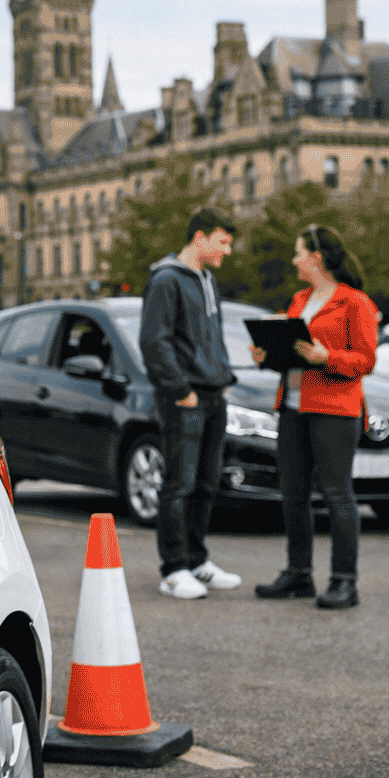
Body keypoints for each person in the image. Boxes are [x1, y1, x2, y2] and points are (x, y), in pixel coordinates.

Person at [248, 225, 377, 609]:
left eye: (298, 252)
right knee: (293, 495)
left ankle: (344, 581)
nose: (294, 260)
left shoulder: (355, 302)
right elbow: (292, 354)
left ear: (316, 258)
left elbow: (366, 360)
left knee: (337, 494)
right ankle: (298, 574)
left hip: (334, 410)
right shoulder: (298, 300)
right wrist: (267, 357)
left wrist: (329, 358)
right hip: (292, 408)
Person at [140, 208, 242, 599]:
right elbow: (154, 341)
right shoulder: (167, 280)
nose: (227, 251)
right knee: (179, 484)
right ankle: (173, 569)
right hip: (185, 399)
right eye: (223, 242)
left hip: (214, 395)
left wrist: (224, 380)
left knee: (205, 483)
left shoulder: (207, 280)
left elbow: (210, 337)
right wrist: (181, 390)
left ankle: (198, 562)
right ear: (199, 238)